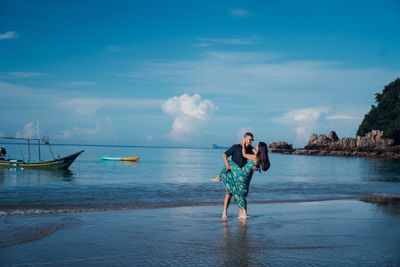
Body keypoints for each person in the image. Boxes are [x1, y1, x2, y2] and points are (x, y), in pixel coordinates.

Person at [212, 135, 270, 220]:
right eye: (250, 140)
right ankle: (231, 212)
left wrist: (244, 146)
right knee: (231, 192)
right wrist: (227, 163)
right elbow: (224, 154)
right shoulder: (237, 147)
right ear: (245, 138)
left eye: (253, 141)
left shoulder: (253, 152)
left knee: (241, 194)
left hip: (243, 175)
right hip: (236, 174)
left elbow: (246, 155)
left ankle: (242, 214)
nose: (252, 142)